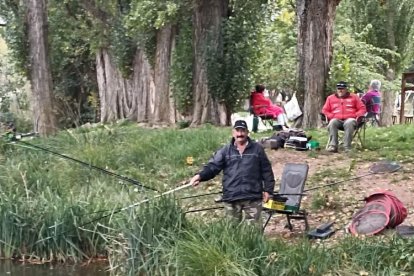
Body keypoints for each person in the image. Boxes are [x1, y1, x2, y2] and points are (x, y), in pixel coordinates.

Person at [188, 119, 275, 225]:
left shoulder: (258, 149)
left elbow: (267, 170)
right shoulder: (225, 151)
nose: (240, 134)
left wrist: (268, 190)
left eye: (243, 131)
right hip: (231, 196)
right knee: (231, 231)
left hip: (253, 196)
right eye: (237, 131)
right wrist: (200, 176)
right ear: (233, 132)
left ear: (247, 132)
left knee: (254, 232)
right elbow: (213, 166)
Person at [322, 81, 367, 153]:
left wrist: (356, 115)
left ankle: (347, 147)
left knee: (349, 122)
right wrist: (331, 116)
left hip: (350, 120)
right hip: (337, 120)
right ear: (336, 89)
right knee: (332, 122)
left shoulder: (354, 97)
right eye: (339, 88)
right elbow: (324, 110)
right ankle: (333, 146)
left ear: (346, 89)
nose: (340, 90)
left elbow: (362, 108)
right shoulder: (330, 98)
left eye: (342, 88)